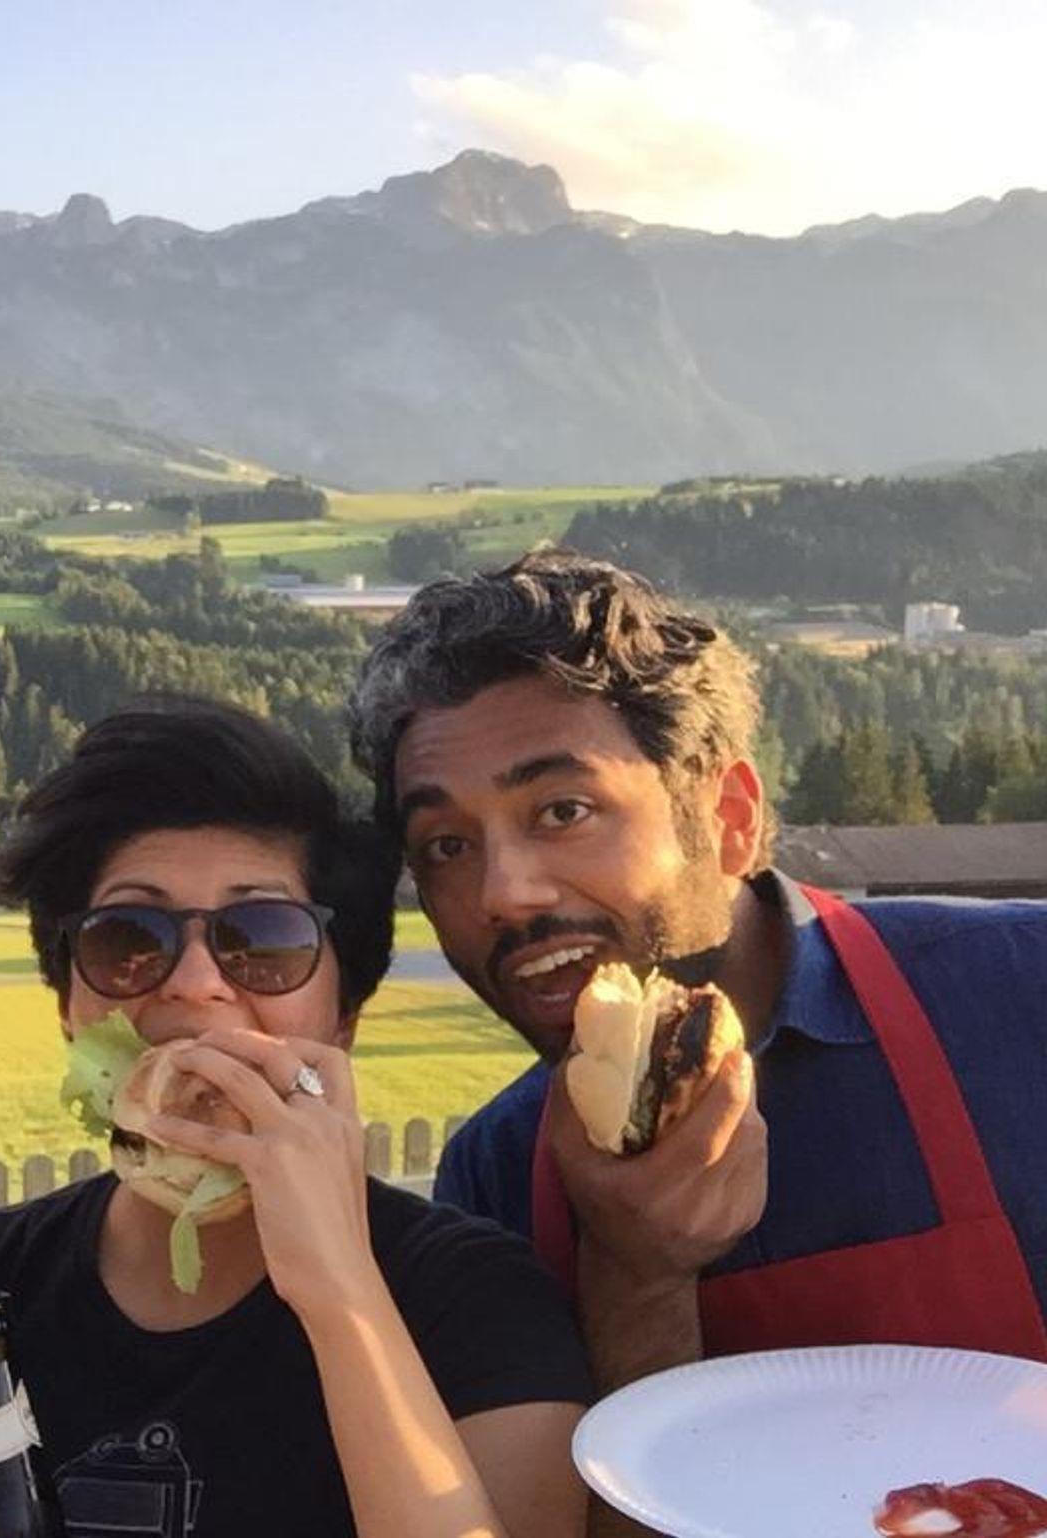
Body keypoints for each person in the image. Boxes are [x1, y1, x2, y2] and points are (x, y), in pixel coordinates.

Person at [347, 549, 1047, 1406]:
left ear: (730, 818)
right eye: (447, 846)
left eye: (564, 811)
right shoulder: (496, 1176)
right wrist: (636, 1275)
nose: (502, 894)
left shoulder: (1020, 992)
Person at [0, 697, 591, 1538]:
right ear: (69, 1007)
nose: (195, 984)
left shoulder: (480, 1303)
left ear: (344, 1017)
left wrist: (338, 1290)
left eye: (264, 937)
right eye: (127, 938)